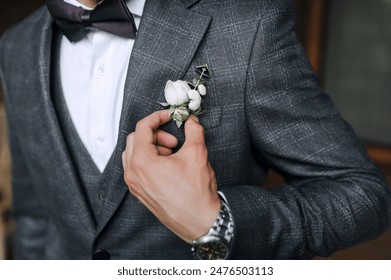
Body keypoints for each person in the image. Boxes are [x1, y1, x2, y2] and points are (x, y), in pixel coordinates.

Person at [0, 0, 390, 260]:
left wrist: (215, 225)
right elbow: (36, 211)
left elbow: (363, 193)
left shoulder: (246, 24)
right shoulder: (15, 47)